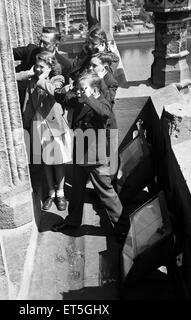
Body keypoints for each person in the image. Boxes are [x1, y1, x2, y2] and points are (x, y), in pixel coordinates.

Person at [52, 70, 124, 238]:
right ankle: (73, 221)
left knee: (106, 193)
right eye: (79, 88)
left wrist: (88, 97)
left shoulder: (102, 103)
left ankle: (122, 228)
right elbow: (61, 98)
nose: (79, 92)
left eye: (83, 88)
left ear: (95, 90)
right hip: (79, 155)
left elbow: (104, 113)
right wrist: (65, 88)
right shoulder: (79, 99)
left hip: (95, 158)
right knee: (76, 192)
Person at [23, 51, 72, 212]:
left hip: (55, 124)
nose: (37, 69)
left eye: (41, 66)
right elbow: (29, 103)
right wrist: (29, 73)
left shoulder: (58, 79)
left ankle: (61, 193)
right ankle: (51, 193)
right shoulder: (32, 79)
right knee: (46, 161)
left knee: (58, 161)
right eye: (36, 66)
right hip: (38, 123)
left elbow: (53, 91)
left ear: (50, 67)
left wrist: (42, 78)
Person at [13, 27, 72, 110]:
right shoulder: (31, 50)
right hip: (20, 103)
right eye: (40, 41)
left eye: (45, 43)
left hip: (44, 111)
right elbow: (7, 53)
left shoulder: (64, 65)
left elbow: (61, 95)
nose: (40, 45)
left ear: (56, 44)